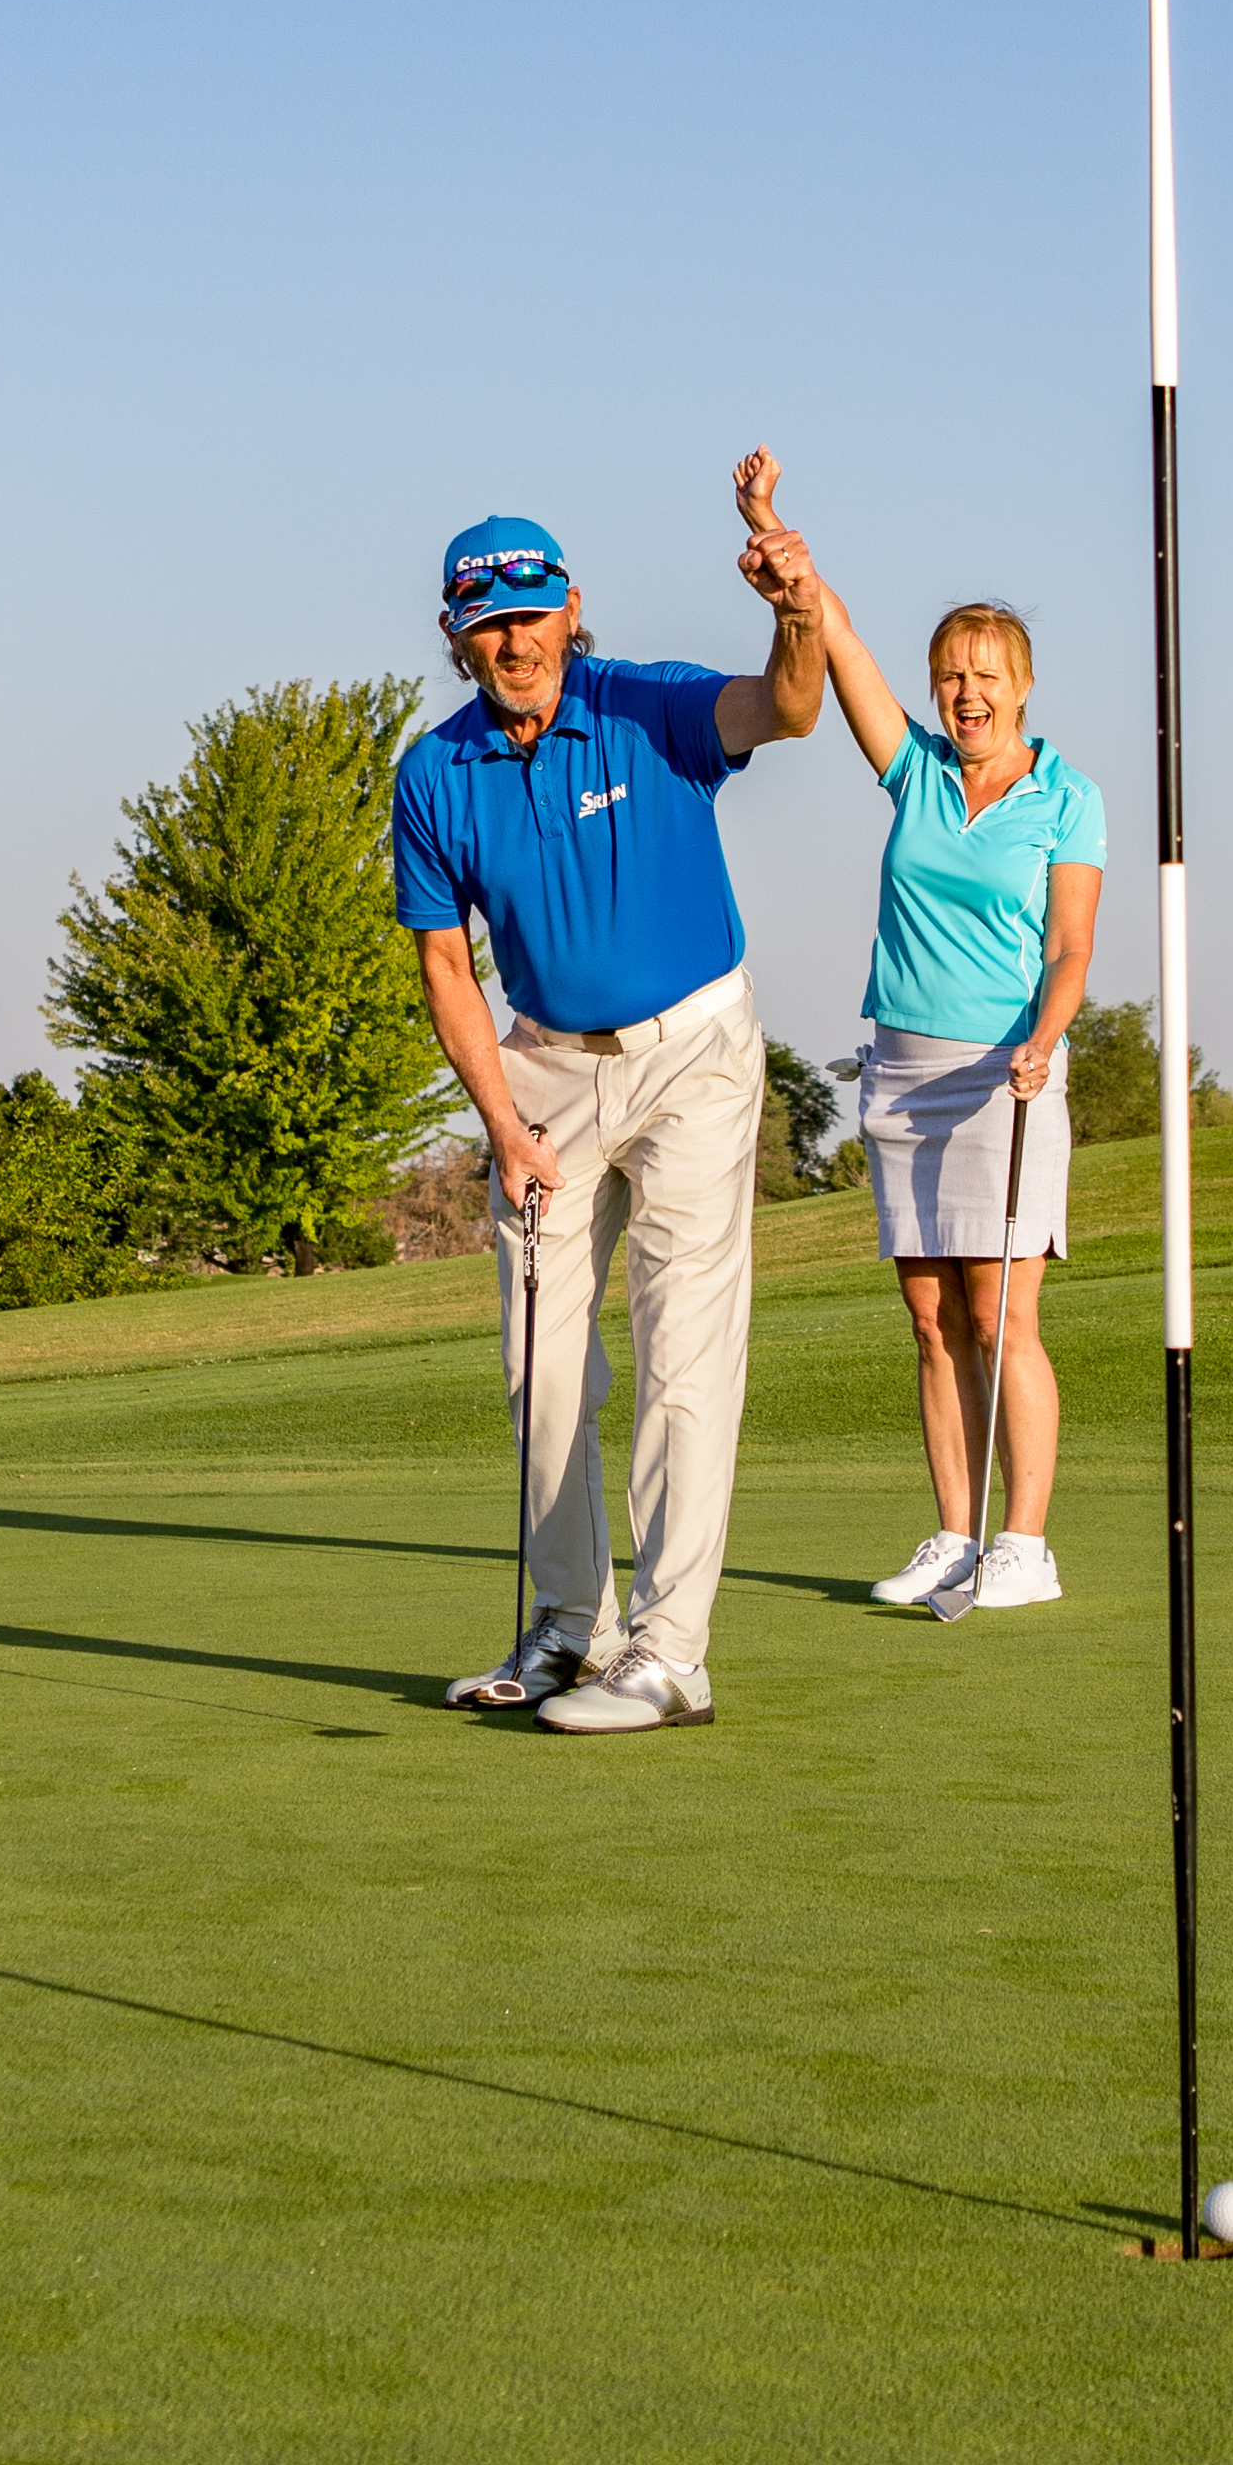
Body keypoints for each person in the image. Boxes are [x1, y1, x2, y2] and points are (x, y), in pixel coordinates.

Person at [393, 465, 834, 1733]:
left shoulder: (647, 705)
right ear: (456, 637)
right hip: (540, 1066)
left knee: (682, 1352)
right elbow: (444, 958)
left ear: (569, 607)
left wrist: (793, 609)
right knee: (542, 1363)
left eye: (532, 615)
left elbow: (789, 708)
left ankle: (671, 1651)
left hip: (694, 1048)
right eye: (489, 623)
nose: (515, 641)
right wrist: (503, 1122)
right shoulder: (436, 774)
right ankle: (562, 1627)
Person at [792, 563, 1107, 1611]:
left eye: (983, 675)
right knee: (928, 1318)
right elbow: (842, 649)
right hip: (903, 1072)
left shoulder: (1069, 799)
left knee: (998, 1313)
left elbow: (1070, 949)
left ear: (1022, 685)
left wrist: (1046, 1037)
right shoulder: (915, 772)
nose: (963, 693)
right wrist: (785, 555)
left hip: (1005, 1075)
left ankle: (1025, 1543)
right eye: (946, 676)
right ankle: (954, 1533)